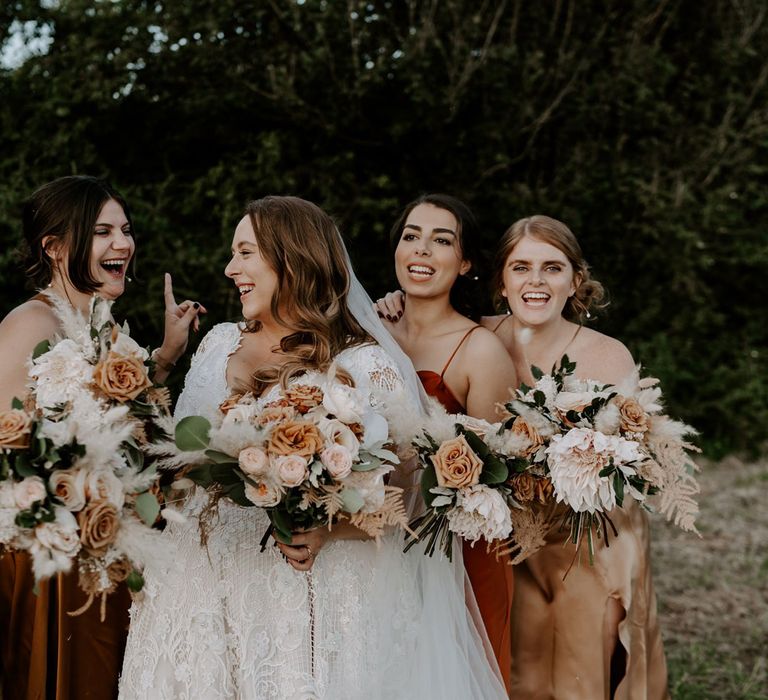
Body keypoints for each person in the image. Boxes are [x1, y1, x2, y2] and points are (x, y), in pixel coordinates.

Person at [118, 195, 508, 700]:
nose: (229, 267)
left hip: (303, 594)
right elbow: (183, 465)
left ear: (291, 258)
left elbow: (414, 496)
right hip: (199, 584)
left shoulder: (365, 363)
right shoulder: (217, 343)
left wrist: (333, 526)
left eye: (244, 253)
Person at [0, 175, 203, 700]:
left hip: (106, 549)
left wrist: (163, 358)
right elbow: (8, 448)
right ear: (55, 247)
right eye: (103, 232)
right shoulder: (30, 323)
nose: (123, 243)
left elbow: (126, 429)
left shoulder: (107, 329)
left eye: (126, 230)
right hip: (47, 560)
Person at [482, 215, 669, 699]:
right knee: (516, 674)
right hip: (503, 539)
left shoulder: (608, 356)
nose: (536, 281)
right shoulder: (477, 340)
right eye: (520, 267)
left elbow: (636, 467)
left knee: (579, 678)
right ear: (501, 281)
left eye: (552, 268)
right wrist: (393, 305)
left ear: (575, 281)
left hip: (588, 538)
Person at [379, 194, 517, 691]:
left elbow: (498, 478)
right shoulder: (368, 333)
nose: (422, 250)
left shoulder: (480, 351)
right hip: (371, 537)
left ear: (464, 263)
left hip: (454, 551)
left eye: (442, 241)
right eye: (411, 236)